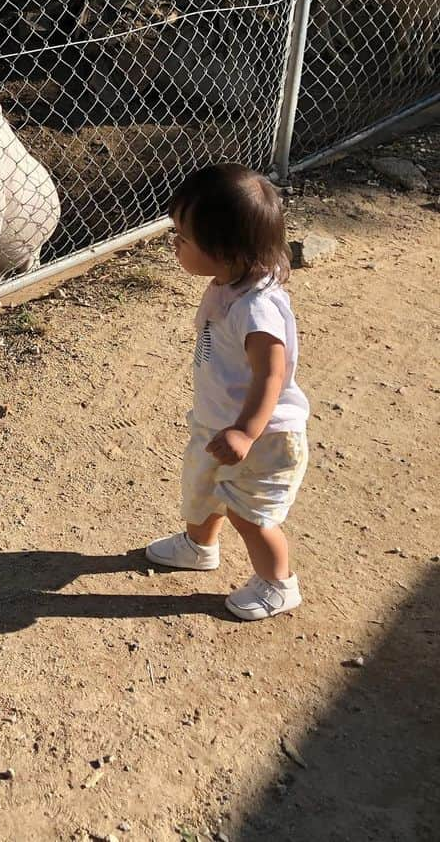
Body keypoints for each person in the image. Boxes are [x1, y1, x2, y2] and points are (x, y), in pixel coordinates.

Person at [146, 163, 310, 620]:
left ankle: (279, 584)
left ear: (226, 250)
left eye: (184, 237)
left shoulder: (257, 310)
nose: (174, 243)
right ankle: (199, 546)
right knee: (202, 489)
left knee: (250, 514)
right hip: (216, 421)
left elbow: (270, 378)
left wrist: (245, 431)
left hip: (265, 438)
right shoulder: (230, 279)